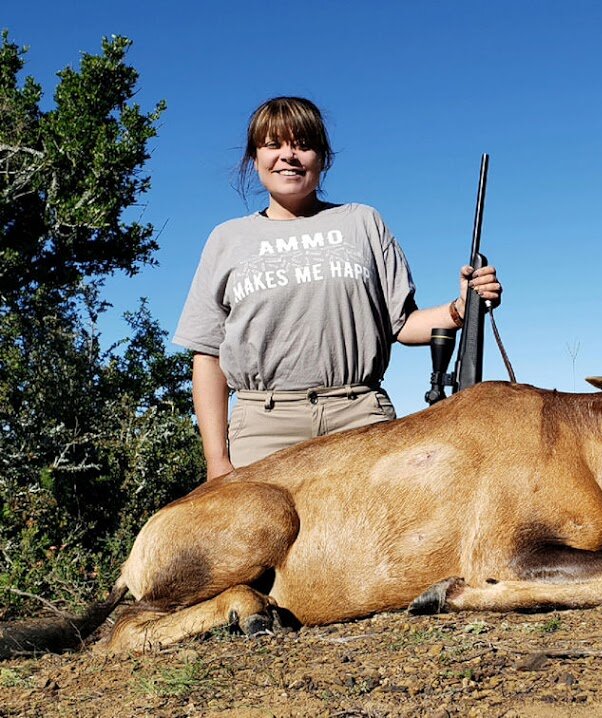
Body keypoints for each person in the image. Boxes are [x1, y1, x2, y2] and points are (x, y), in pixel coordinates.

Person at [173, 97, 502, 480]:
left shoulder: (363, 222)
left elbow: (402, 325)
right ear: (254, 157)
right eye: (273, 144)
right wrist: (217, 460)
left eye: (303, 144)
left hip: (360, 416)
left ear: (323, 157)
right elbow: (208, 356)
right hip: (263, 427)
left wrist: (462, 307)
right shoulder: (226, 238)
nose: (288, 156)